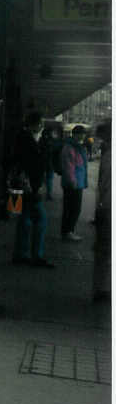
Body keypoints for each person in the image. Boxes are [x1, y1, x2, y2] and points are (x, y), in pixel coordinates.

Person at [12, 111, 54, 268]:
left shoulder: (41, 139)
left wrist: (43, 182)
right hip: (27, 185)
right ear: (31, 125)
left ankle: (24, 254)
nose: (42, 126)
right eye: (39, 123)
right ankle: (32, 255)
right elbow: (19, 161)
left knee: (27, 219)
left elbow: (44, 161)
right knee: (36, 220)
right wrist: (26, 181)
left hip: (35, 185)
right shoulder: (23, 139)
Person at [60, 125, 88, 241]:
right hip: (73, 184)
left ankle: (67, 231)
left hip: (77, 182)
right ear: (75, 134)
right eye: (81, 133)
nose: (83, 136)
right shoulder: (70, 147)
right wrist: (73, 181)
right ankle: (68, 232)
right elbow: (68, 166)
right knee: (73, 209)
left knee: (71, 208)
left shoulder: (77, 146)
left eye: (84, 133)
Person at [93, 121, 110, 301]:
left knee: (103, 252)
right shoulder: (109, 156)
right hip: (107, 209)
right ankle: (103, 289)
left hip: (106, 208)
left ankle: (102, 287)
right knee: (105, 252)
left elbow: (103, 186)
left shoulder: (108, 156)